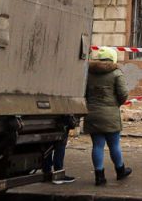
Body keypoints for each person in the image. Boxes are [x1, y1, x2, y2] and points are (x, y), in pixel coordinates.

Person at [85, 48, 132, 186]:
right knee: (114, 144)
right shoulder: (116, 73)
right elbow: (123, 94)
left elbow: (84, 92)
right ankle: (120, 171)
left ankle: (99, 177)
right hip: (110, 114)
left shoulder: (88, 72)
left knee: (97, 146)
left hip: (92, 113)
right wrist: (115, 104)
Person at [42, 115, 78, 184]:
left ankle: (46, 172)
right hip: (60, 122)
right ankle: (58, 173)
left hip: (44, 122)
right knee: (60, 146)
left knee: (47, 146)